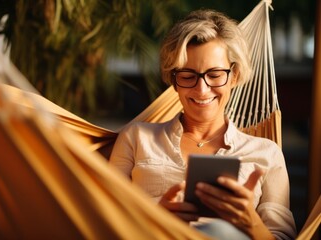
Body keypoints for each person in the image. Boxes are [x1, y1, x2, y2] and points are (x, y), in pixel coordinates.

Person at [109, 9, 296, 240]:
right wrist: (156, 220)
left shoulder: (266, 153)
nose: (202, 89)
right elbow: (102, 219)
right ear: (174, 80)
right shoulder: (136, 138)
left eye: (215, 74)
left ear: (234, 75)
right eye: (188, 75)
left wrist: (251, 222)